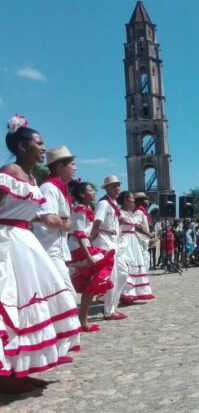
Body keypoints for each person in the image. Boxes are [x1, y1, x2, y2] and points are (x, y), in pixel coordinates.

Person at [0, 114, 80, 393]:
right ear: (22, 147)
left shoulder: (32, 177)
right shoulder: (9, 171)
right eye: (39, 143)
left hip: (24, 242)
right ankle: (5, 375)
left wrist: (39, 220)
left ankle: (18, 369)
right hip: (7, 243)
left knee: (31, 304)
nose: (43, 148)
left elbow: (22, 211)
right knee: (11, 301)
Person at [67, 180, 115, 332]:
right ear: (82, 194)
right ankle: (80, 319)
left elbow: (86, 233)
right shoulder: (80, 209)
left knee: (90, 284)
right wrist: (88, 255)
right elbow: (79, 233)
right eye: (91, 190)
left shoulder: (85, 208)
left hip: (85, 246)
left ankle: (83, 319)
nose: (94, 193)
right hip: (79, 248)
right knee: (88, 282)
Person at [33, 146, 77, 297]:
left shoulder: (60, 189)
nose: (75, 168)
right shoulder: (49, 188)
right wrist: (65, 223)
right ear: (59, 167)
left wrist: (64, 223)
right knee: (67, 294)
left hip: (57, 248)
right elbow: (50, 219)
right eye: (72, 164)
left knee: (57, 295)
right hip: (49, 248)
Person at [91, 175, 128, 320]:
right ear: (106, 188)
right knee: (112, 276)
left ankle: (111, 303)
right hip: (104, 243)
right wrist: (104, 232)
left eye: (118, 185)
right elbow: (96, 224)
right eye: (113, 186)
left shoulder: (113, 204)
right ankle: (109, 310)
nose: (117, 188)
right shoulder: (104, 204)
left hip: (114, 243)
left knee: (123, 273)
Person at [118, 191, 154, 302]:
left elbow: (138, 226)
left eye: (134, 198)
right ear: (125, 199)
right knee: (128, 266)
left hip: (133, 241)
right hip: (125, 240)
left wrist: (148, 234)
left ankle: (132, 293)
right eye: (131, 198)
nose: (133, 200)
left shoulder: (131, 213)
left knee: (136, 266)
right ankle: (125, 294)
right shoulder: (121, 213)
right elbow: (119, 228)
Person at [134, 192, 155, 270]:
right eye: (146, 199)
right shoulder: (139, 212)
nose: (148, 201)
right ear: (140, 201)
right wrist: (148, 234)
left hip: (143, 244)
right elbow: (135, 225)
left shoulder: (142, 212)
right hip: (140, 245)